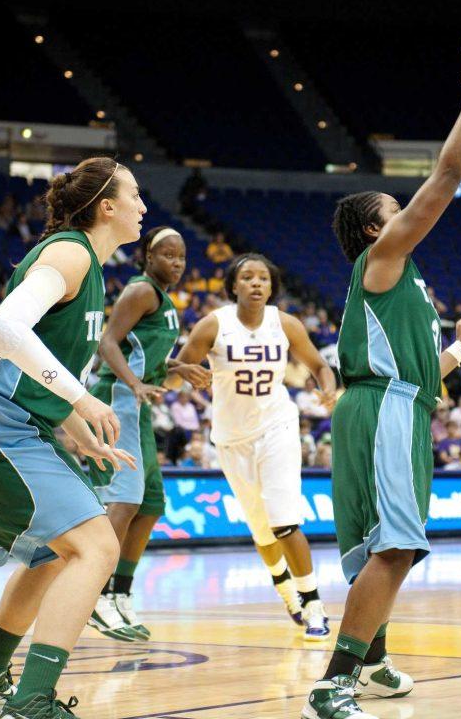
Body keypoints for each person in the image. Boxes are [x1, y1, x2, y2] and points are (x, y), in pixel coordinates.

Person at [301, 36, 461, 718]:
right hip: (383, 412)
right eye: (392, 207)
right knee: (399, 545)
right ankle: (333, 685)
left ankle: (373, 664)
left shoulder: (399, 286)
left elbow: (416, 372)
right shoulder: (381, 261)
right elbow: (445, 179)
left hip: (388, 404)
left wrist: (460, 345)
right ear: (376, 229)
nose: (403, 211)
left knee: (374, 552)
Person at [0, 157, 139, 719]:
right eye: (135, 195)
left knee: (52, 556)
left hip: (8, 420)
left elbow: (34, 368)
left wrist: (81, 432)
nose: (143, 206)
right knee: (97, 548)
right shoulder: (71, 252)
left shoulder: (92, 270)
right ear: (107, 206)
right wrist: (80, 398)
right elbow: (3, 330)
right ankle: (32, 702)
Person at [176, 253, 339, 642]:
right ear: (233, 285)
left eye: (262, 278)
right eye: (247, 277)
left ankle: (313, 603)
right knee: (262, 529)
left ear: (271, 285)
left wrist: (327, 387)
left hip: (278, 426)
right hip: (232, 437)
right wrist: (181, 370)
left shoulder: (285, 323)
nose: (255, 283)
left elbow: (320, 366)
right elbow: (173, 374)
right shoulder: (213, 325)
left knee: (285, 520)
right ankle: (286, 591)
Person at [83, 227, 211, 642]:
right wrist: (135, 384)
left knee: (151, 502)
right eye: (167, 255)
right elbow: (108, 342)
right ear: (147, 256)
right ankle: (94, 594)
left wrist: (175, 367)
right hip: (118, 400)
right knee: (122, 501)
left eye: (181, 256)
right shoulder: (141, 291)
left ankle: (120, 592)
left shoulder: (163, 297)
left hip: (137, 406)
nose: (176, 262)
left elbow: (143, 352)